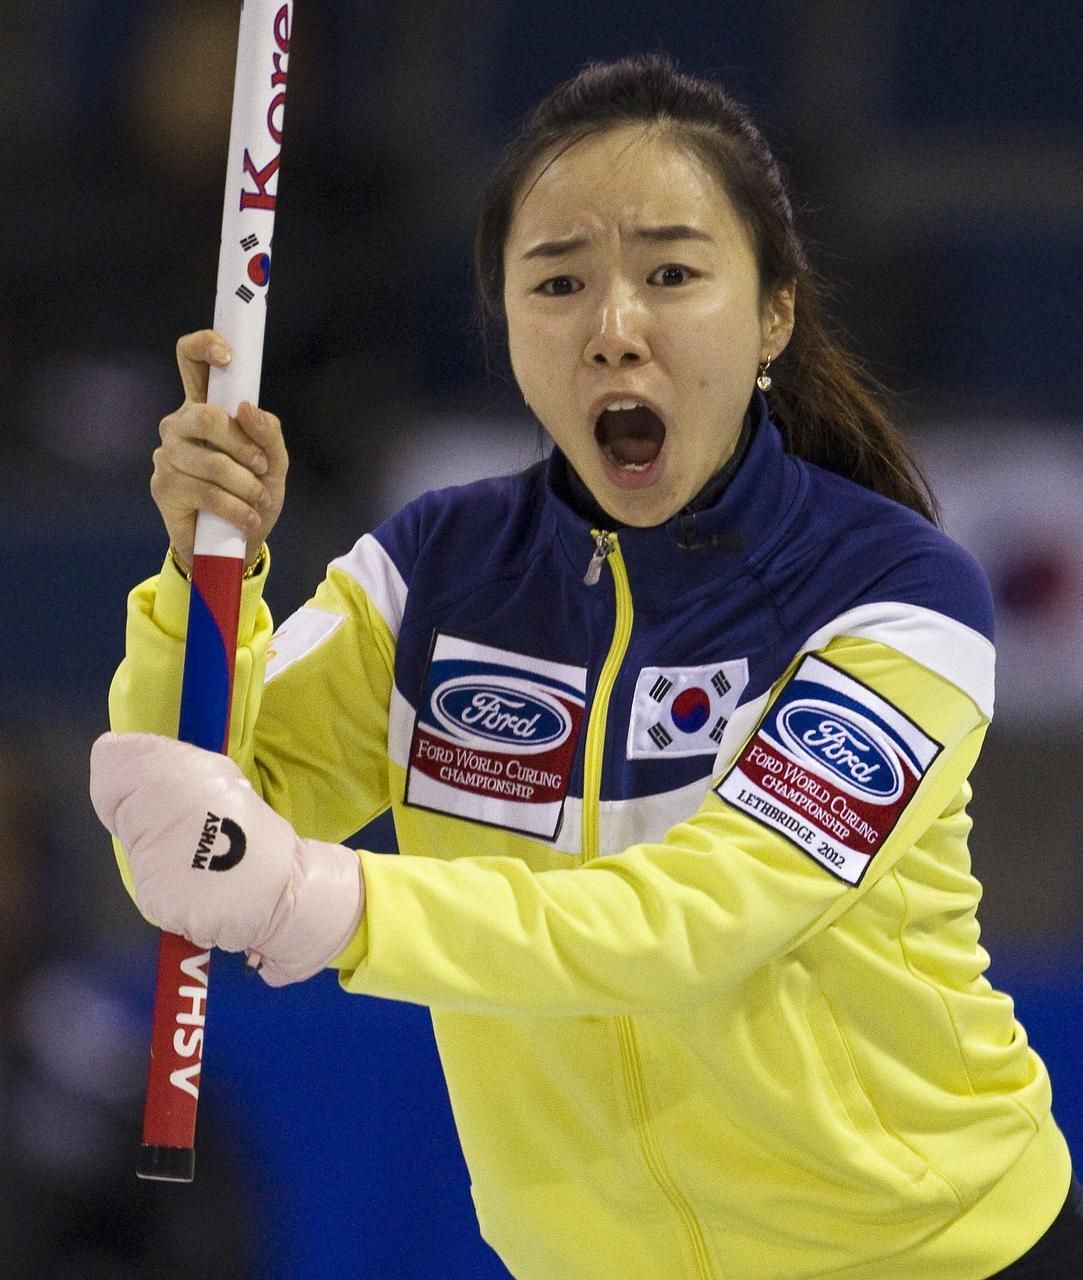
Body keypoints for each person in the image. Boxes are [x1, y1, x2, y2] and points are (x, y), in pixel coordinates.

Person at [89, 55, 1081, 1279]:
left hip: (938, 1254)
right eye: (557, 281)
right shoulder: (429, 576)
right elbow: (193, 823)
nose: (615, 327)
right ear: (505, 327)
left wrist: (323, 901)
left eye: (671, 273)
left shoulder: (898, 594)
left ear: (774, 310)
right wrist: (202, 574)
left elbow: (704, 918)